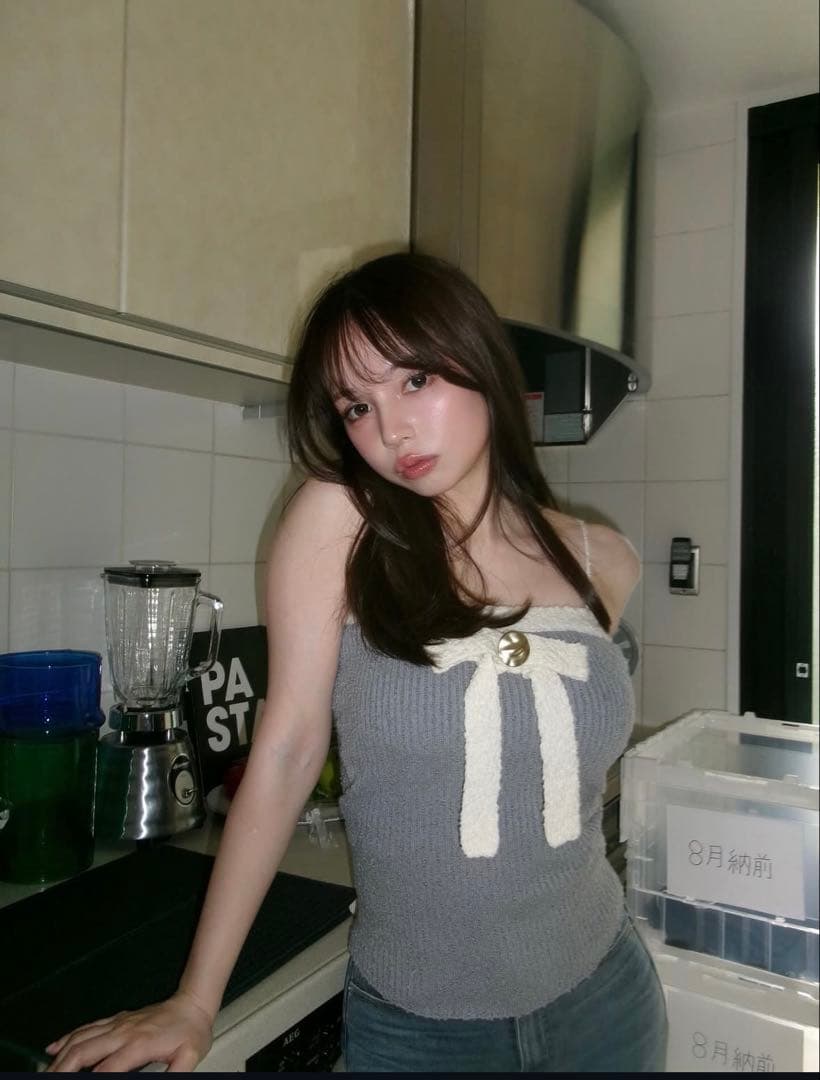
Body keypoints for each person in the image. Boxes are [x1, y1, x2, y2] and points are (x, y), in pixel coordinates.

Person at [46, 252, 667, 1073]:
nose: (391, 431)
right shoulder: (342, 521)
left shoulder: (601, 558)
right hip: (423, 1035)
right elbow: (287, 751)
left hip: (605, 1001)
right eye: (357, 406)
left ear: (480, 359)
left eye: (416, 380)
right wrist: (194, 1001)